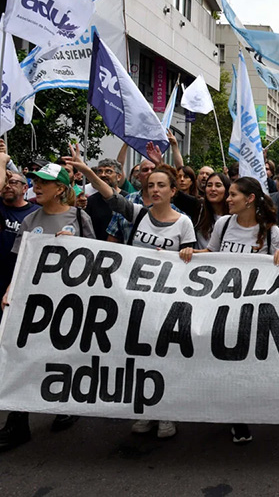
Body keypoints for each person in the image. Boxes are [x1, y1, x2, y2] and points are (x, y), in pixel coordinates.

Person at [67, 145, 196, 440]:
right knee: (140, 356)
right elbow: (109, 194)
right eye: (151, 185)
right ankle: (144, 410)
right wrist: (85, 170)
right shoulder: (137, 214)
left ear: (173, 191)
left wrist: (188, 252)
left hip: (168, 303)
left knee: (165, 356)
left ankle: (166, 413)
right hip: (136, 301)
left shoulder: (184, 224)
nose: (155, 190)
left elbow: (193, 260)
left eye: (162, 185)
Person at [180, 176, 279, 445]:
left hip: (252, 308)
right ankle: (234, 415)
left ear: (250, 199)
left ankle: (242, 409)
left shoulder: (271, 232)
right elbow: (212, 253)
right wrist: (188, 254)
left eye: (233, 195)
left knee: (245, 363)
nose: (227, 199)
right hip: (220, 303)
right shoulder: (223, 224)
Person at [0, 162, 93, 452]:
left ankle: (65, 404)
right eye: (35, 181)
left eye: (44, 182)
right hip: (34, 300)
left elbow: (98, 257)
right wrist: (10, 290)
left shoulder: (79, 217)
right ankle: (17, 421)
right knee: (24, 354)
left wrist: (75, 243)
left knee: (62, 352)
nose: (36, 186)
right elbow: (21, 261)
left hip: (69, 301)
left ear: (61, 189)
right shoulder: (30, 220)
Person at [0, 170, 39, 295]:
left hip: (21, 278)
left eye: (13, 182)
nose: (7, 186)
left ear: (25, 188)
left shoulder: (37, 213)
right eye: (5, 182)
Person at [85, 159, 126, 241]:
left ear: (119, 177)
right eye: (99, 171)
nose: (103, 175)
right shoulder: (91, 201)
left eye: (108, 171)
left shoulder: (128, 199)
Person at [194, 172, 231, 249]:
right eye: (209, 185)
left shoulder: (235, 217)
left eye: (218, 185)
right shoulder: (198, 211)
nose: (213, 189)